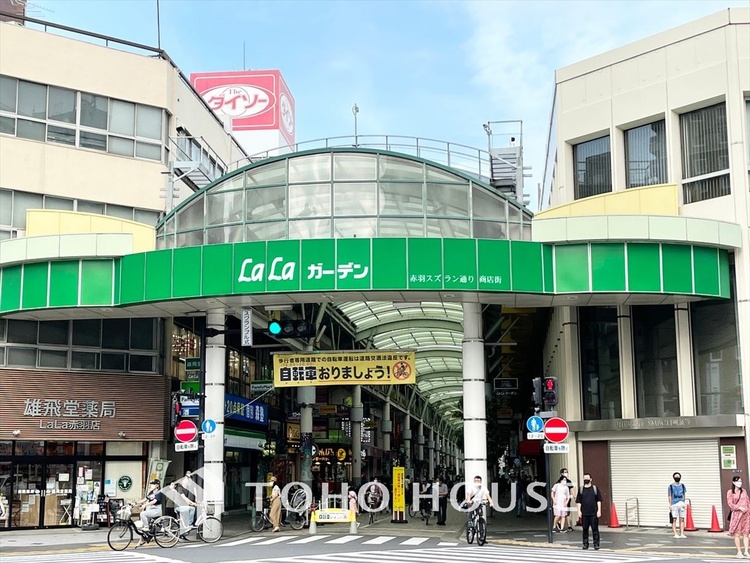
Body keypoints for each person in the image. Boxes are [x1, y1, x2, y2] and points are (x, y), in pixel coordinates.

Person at [575, 472, 602, 550]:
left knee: (595, 529)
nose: (586, 480)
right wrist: (579, 511)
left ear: (591, 479)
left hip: (593, 513)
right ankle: (585, 544)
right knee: (585, 529)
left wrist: (599, 510)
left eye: (587, 478)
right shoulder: (581, 489)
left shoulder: (595, 489)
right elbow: (579, 501)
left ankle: (596, 544)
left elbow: (599, 500)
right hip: (584, 513)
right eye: (585, 478)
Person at [727, 475, 750, 558]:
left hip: (746, 515)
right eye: (737, 481)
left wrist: (747, 509)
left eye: (740, 481)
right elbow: (730, 503)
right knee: (737, 534)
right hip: (737, 515)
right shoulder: (730, 492)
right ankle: (739, 552)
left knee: (746, 533)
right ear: (733, 482)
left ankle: (746, 551)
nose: (739, 483)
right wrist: (739, 507)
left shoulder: (744, 491)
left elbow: (747, 501)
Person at [170, 471, 197, 541]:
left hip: (183, 507)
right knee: (192, 509)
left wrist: (195, 502)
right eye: (186, 480)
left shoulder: (187, 489)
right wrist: (193, 503)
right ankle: (190, 524)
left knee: (183, 522)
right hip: (178, 507)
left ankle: (182, 535)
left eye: (188, 480)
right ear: (182, 481)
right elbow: (185, 498)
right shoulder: (180, 488)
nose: (188, 481)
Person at [136, 479, 164, 548]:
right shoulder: (151, 492)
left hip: (156, 510)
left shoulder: (159, 492)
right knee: (143, 526)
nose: (151, 485)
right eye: (151, 484)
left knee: (143, 514)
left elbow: (154, 501)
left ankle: (147, 527)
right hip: (151, 510)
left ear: (157, 485)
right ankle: (141, 540)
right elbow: (144, 500)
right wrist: (135, 503)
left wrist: (145, 505)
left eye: (153, 484)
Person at [668, 471, 687, 539]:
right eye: (676, 477)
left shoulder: (683, 486)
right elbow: (669, 496)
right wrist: (670, 504)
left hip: (681, 503)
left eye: (678, 477)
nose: (677, 478)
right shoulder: (670, 486)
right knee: (674, 519)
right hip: (674, 504)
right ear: (673, 477)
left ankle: (682, 533)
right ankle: (675, 533)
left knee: (682, 519)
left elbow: (684, 494)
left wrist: (684, 503)